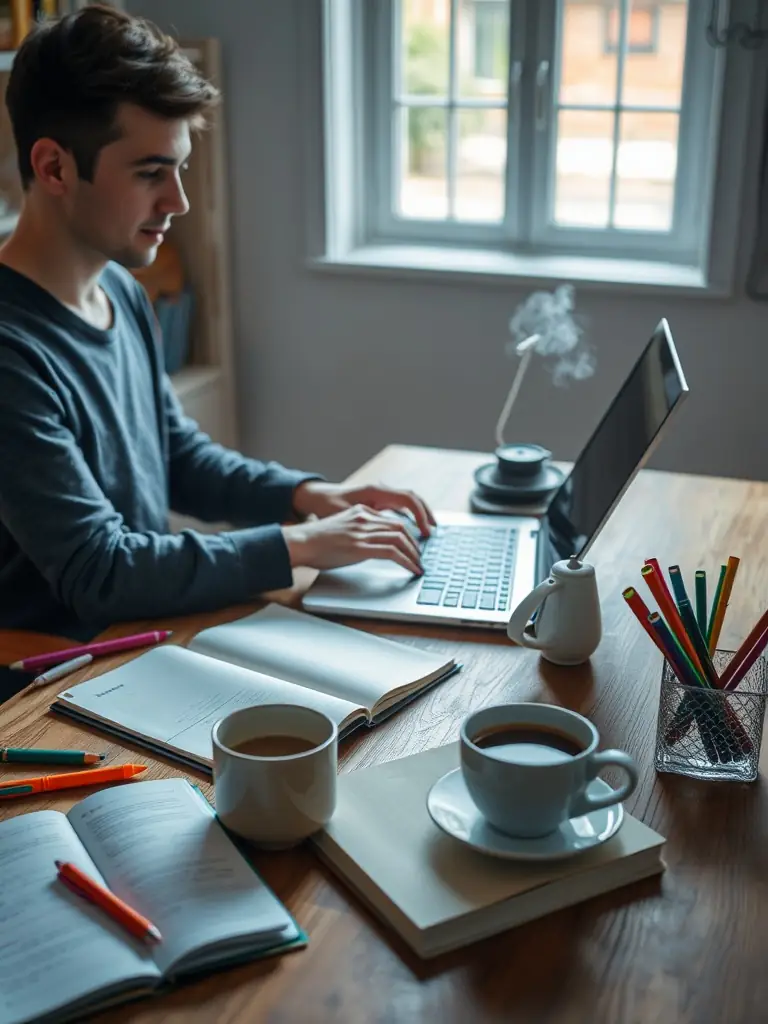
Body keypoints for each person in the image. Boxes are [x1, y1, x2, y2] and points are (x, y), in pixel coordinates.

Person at [0, 5, 432, 637]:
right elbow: (99, 571)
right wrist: (303, 545)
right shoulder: (11, 351)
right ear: (54, 167)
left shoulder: (118, 286)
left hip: (141, 637)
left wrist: (309, 497)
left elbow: (175, 456)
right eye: (151, 173)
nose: (178, 202)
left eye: (178, 168)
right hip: (48, 681)